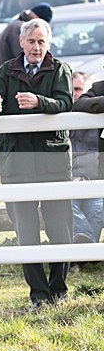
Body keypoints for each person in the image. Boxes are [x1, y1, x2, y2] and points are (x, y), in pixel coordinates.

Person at [0, 18, 73, 309]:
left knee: (60, 229)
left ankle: (59, 288)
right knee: (25, 231)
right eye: (31, 41)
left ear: (49, 43)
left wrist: (39, 102)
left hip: (52, 162)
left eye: (41, 42)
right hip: (17, 163)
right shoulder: (5, 71)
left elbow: (66, 103)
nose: (36, 47)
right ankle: (39, 294)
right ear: (21, 42)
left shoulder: (60, 69)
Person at [0, 3, 53, 176]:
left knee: (6, 126)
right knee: (8, 126)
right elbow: (23, 58)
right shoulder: (18, 29)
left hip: (4, 84)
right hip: (5, 86)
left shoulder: (15, 26)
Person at [69, 71, 103, 247]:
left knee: (98, 210)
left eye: (78, 89)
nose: (74, 94)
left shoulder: (96, 122)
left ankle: (81, 254)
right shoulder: (58, 118)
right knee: (66, 205)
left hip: (93, 182)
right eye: (71, 89)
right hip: (66, 183)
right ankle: (87, 251)